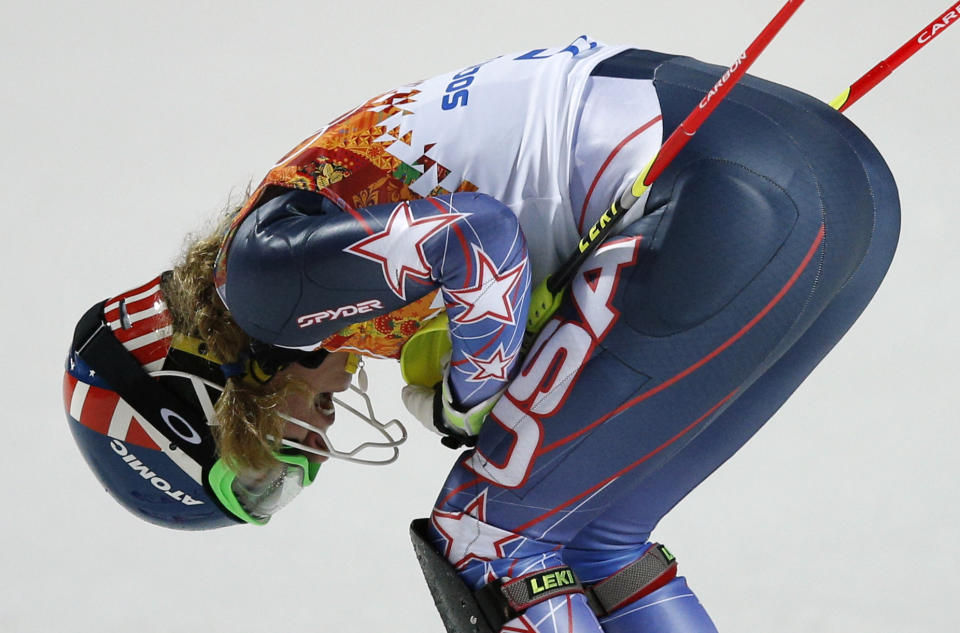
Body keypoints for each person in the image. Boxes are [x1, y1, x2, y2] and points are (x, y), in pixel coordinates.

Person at [63, 35, 900, 632]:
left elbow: (480, 239)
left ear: (202, 397)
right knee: (597, 541)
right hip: (819, 184)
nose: (303, 459)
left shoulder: (260, 283)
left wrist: (476, 390)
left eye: (252, 469)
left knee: (486, 536)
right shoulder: (317, 274)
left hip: (732, 194)